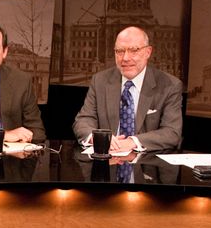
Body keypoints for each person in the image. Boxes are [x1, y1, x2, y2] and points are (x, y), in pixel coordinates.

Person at [73, 25, 183, 153]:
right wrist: (95, 137)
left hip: (146, 165)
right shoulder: (100, 81)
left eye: (133, 50)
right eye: (120, 51)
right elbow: (83, 120)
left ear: (148, 52)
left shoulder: (169, 85)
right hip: (107, 164)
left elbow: (171, 132)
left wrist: (132, 142)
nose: (125, 58)